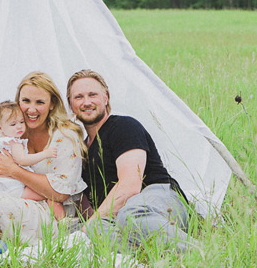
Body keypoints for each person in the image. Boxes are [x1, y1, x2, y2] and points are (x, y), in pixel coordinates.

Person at [66, 69, 196, 253]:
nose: (86, 102)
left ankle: (199, 255)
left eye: (92, 95)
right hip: (119, 216)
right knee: (92, 230)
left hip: (159, 198)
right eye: (78, 97)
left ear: (106, 97)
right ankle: (146, 259)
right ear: (71, 105)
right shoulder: (81, 151)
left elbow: (130, 186)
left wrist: (91, 224)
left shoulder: (124, 126)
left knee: (129, 215)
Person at [0, 71, 86, 243]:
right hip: (15, 196)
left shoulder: (65, 136)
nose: (31, 109)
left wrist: (14, 171)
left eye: (39, 102)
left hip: (52, 212)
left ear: (52, 104)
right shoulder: (12, 132)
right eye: (25, 101)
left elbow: (60, 193)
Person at [0, 101, 63, 218]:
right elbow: (23, 160)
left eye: (21, 122)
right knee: (50, 196)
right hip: (15, 187)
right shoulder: (13, 142)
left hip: (5, 185)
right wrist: (45, 154)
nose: (19, 126)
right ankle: (63, 222)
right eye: (13, 124)